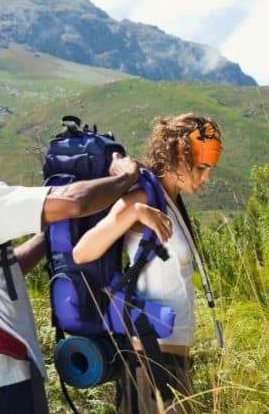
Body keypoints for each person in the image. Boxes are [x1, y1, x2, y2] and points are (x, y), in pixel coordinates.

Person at [0, 107, 171, 414]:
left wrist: (52, 237)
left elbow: (5, 270)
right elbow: (74, 201)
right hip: (5, 380)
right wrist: (125, 177)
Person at [72, 113, 223, 413]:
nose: (206, 178)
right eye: (202, 168)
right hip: (148, 360)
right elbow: (82, 252)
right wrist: (135, 212)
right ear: (180, 156)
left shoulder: (170, 202)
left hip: (173, 358)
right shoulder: (143, 197)